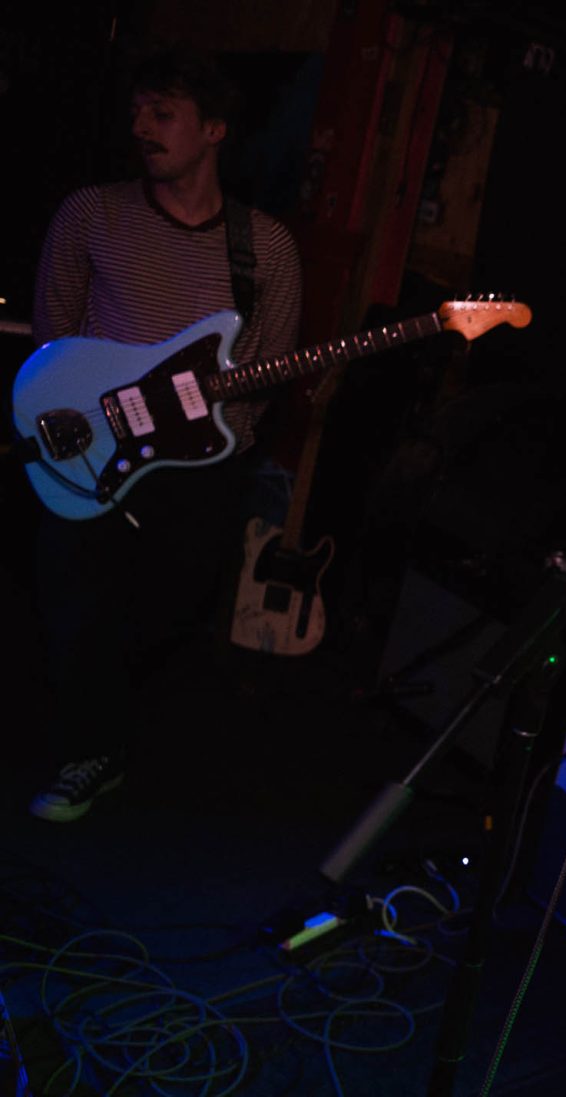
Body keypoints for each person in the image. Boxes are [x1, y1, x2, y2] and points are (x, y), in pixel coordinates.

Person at [26, 45, 302, 821]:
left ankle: (120, 744)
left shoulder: (266, 247)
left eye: (164, 112)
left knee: (168, 612)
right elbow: (56, 336)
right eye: (138, 110)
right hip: (91, 454)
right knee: (76, 605)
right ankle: (88, 751)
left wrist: (210, 435)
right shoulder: (92, 213)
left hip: (198, 469)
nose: (141, 126)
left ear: (214, 129)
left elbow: (270, 367)